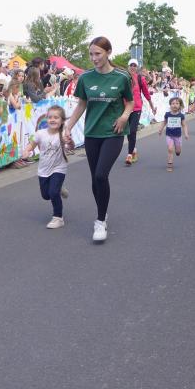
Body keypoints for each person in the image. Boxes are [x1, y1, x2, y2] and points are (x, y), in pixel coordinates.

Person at [65, 36, 134, 243]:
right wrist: (67, 127)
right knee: (95, 178)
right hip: (92, 133)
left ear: (108, 53)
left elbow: (130, 103)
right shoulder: (85, 78)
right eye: (91, 54)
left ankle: (100, 220)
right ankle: (102, 211)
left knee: (101, 175)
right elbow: (81, 104)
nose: (94, 58)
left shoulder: (122, 77)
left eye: (98, 54)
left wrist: (124, 116)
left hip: (113, 133)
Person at [22, 105, 72, 229]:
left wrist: (69, 142)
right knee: (46, 195)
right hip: (43, 169)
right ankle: (59, 189)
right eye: (50, 117)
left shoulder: (63, 134)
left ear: (62, 120)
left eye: (56, 117)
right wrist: (27, 151)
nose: (52, 120)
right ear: (46, 119)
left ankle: (58, 218)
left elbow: (71, 146)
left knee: (53, 192)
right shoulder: (40, 133)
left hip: (59, 168)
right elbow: (32, 144)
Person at [125, 58, 157, 165]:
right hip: (125, 108)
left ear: (137, 67)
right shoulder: (123, 78)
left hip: (136, 108)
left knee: (132, 130)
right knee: (128, 132)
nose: (133, 67)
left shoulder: (140, 78)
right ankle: (133, 150)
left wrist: (152, 106)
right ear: (128, 66)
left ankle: (129, 155)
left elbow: (146, 94)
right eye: (131, 65)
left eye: (135, 65)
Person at [157, 96, 189, 172]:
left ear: (180, 105)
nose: (175, 105)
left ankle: (178, 151)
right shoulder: (167, 114)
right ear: (170, 105)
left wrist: (186, 134)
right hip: (169, 135)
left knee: (178, 151)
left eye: (177, 103)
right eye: (173, 103)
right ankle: (170, 164)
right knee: (170, 149)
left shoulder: (181, 115)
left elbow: (184, 125)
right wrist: (160, 129)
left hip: (178, 136)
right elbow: (164, 122)